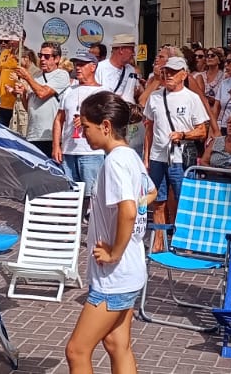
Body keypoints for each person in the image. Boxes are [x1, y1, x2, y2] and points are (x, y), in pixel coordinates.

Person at [64, 91, 154, 374]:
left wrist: (114, 252)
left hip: (115, 276)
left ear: (105, 126)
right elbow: (149, 193)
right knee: (118, 344)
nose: (83, 134)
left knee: (77, 350)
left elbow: (128, 210)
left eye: (86, 128)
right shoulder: (131, 156)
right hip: (132, 269)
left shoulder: (115, 161)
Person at [138, 55, 209, 252]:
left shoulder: (191, 98)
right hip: (158, 157)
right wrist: (146, 158)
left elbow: (202, 130)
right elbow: (149, 129)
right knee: (158, 200)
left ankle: (184, 241)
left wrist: (183, 134)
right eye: (166, 72)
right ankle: (159, 241)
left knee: (183, 199)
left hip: (180, 156)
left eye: (173, 72)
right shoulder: (155, 97)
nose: (168, 75)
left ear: (183, 75)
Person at [56, 50, 108, 195]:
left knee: (92, 194)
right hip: (68, 151)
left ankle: (89, 217)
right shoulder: (69, 91)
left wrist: (88, 120)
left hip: (92, 152)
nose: (77, 68)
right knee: (68, 193)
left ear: (93, 67)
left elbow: (109, 122)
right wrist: (56, 146)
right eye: (76, 64)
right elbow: (58, 120)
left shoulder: (103, 92)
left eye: (82, 65)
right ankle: (70, 217)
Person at [17, 43, 72, 157]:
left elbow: (42, 93)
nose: (42, 59)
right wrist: (22, 94)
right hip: (33, 134)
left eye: (46, 56)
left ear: (56, 59)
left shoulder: (61, 75)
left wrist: (27, 77)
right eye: (40, 55)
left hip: (49, 135)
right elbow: (29, 107)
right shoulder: (36, 76)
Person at [0, 38, 22, 127]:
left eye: (14, 39)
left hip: (16, 103)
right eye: (10, 40)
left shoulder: (24, 55)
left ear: (22, 39)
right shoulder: (4, 53)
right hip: (1, 101)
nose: (11, 42)